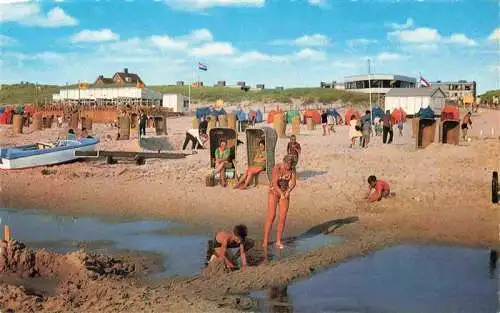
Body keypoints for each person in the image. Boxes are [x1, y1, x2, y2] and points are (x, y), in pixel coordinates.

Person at [263, 155, 297, 249]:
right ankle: (265, 240)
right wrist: (280, 193)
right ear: (284, 162)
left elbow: (293, 183)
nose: (288, 167)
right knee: (271, 216)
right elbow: (274, 182)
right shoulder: (277, 167)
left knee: (283, 217)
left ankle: (278, 241)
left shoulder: (292, 169)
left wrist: (288, 191)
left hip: (285, 192)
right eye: (287, 165)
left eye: (290, 166)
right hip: (274, 191)